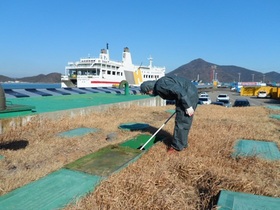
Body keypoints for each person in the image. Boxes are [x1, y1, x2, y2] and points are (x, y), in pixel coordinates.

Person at [140, 75, 199, 152]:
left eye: (147, 93)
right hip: (188, 94)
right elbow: (176, 92)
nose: (148, 94)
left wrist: (187, 106)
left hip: (188, 96)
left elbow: (179, 91)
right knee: (184, 120)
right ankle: (182, 144)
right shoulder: (161, 83)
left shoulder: (160, 86)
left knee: (182, 121)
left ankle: (176, 147)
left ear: (149, 90)